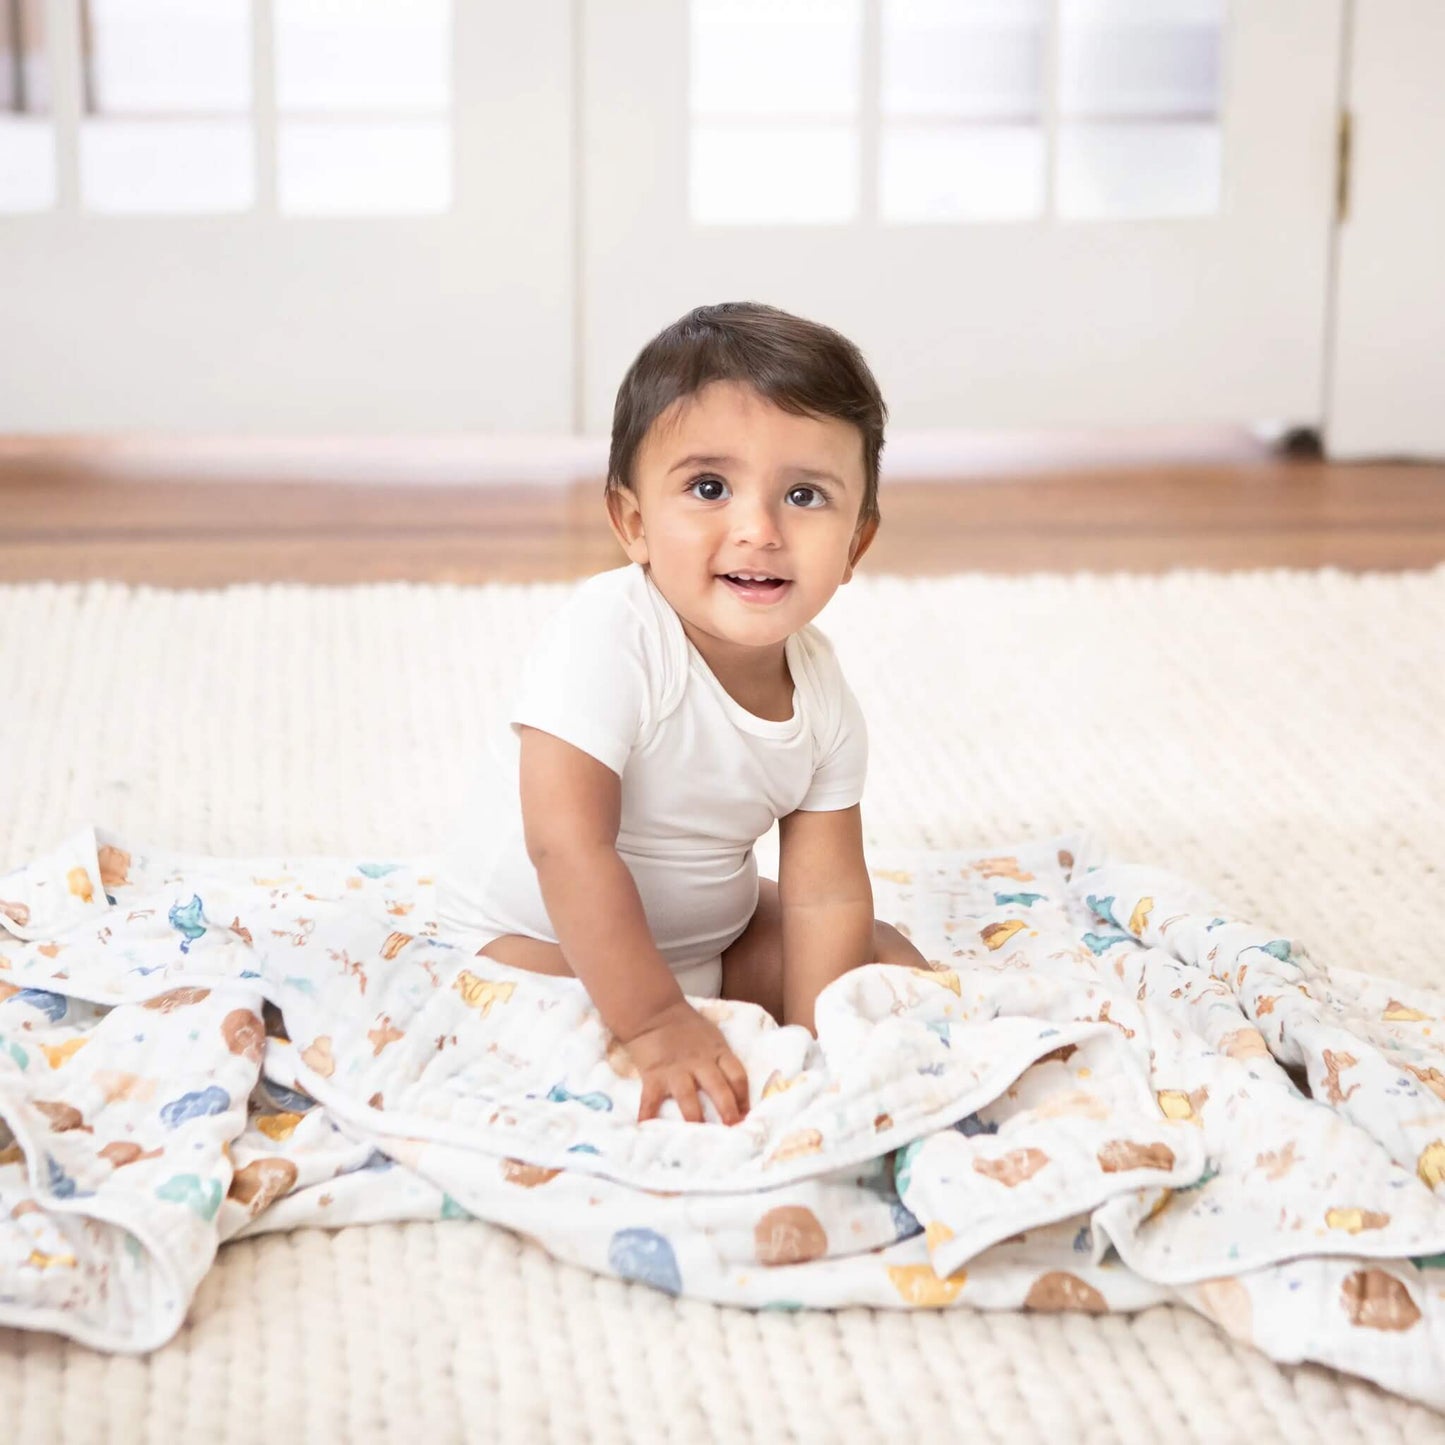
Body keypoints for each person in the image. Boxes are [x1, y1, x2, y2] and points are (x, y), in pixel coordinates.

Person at [436, 301, 930, 1128]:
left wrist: (816, 1044)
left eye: (804, 495)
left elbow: (822, 894)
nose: (758, 530)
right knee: (551, 1044)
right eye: (709, 488)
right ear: (632, 522)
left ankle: (773, 1045)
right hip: (535, 943)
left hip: (707, 944)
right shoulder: (611, 636)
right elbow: (566, 847)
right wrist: (658, 1022)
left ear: (856, 545)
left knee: (886, 969)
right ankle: (654, 1026)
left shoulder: (822, 692)